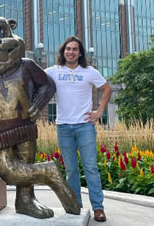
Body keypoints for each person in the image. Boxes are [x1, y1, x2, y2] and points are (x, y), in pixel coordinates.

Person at [45, 36, 112, 222]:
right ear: (63, 52)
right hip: (64, 126)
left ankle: (98, 207)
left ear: (80, 52)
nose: (71, 52)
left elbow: (107, 88)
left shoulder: (89, 71)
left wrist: (99, 111)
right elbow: (34, 77)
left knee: (90, 167)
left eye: (75, 49)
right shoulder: (53, 71)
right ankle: (76, 205)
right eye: (68, 49)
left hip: (85, 126)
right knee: (71, 170)